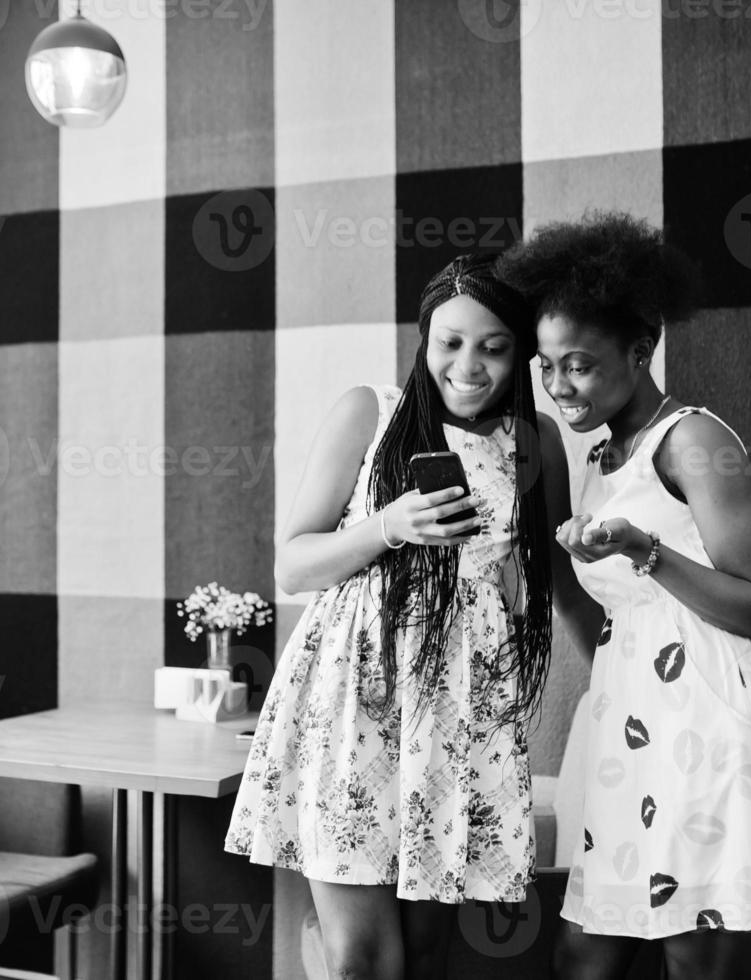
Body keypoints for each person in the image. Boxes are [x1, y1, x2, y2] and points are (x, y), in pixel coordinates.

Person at [223, 253, 599, 980]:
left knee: (427, 954)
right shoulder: (369, 409)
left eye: (494, 347)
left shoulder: (535, 441)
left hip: (462, 715)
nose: (469, 365)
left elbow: (553, 578)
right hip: (354, 706)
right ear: (423, 341)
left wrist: (616, 674)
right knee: (361, 958)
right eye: (450, 342)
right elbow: (292, 565)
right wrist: (388, 525)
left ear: (518, 353)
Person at [496, 211, 751, 979]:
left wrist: (643, 551)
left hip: (705, 722)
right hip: (629, 724)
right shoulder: (600, 453)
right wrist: (610, 690)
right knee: (583, 953)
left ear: (640, 347)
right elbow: (602, 613)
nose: (558, 386)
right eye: (545, 367)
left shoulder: (691, 439)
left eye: (577, 364)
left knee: (697, 955)